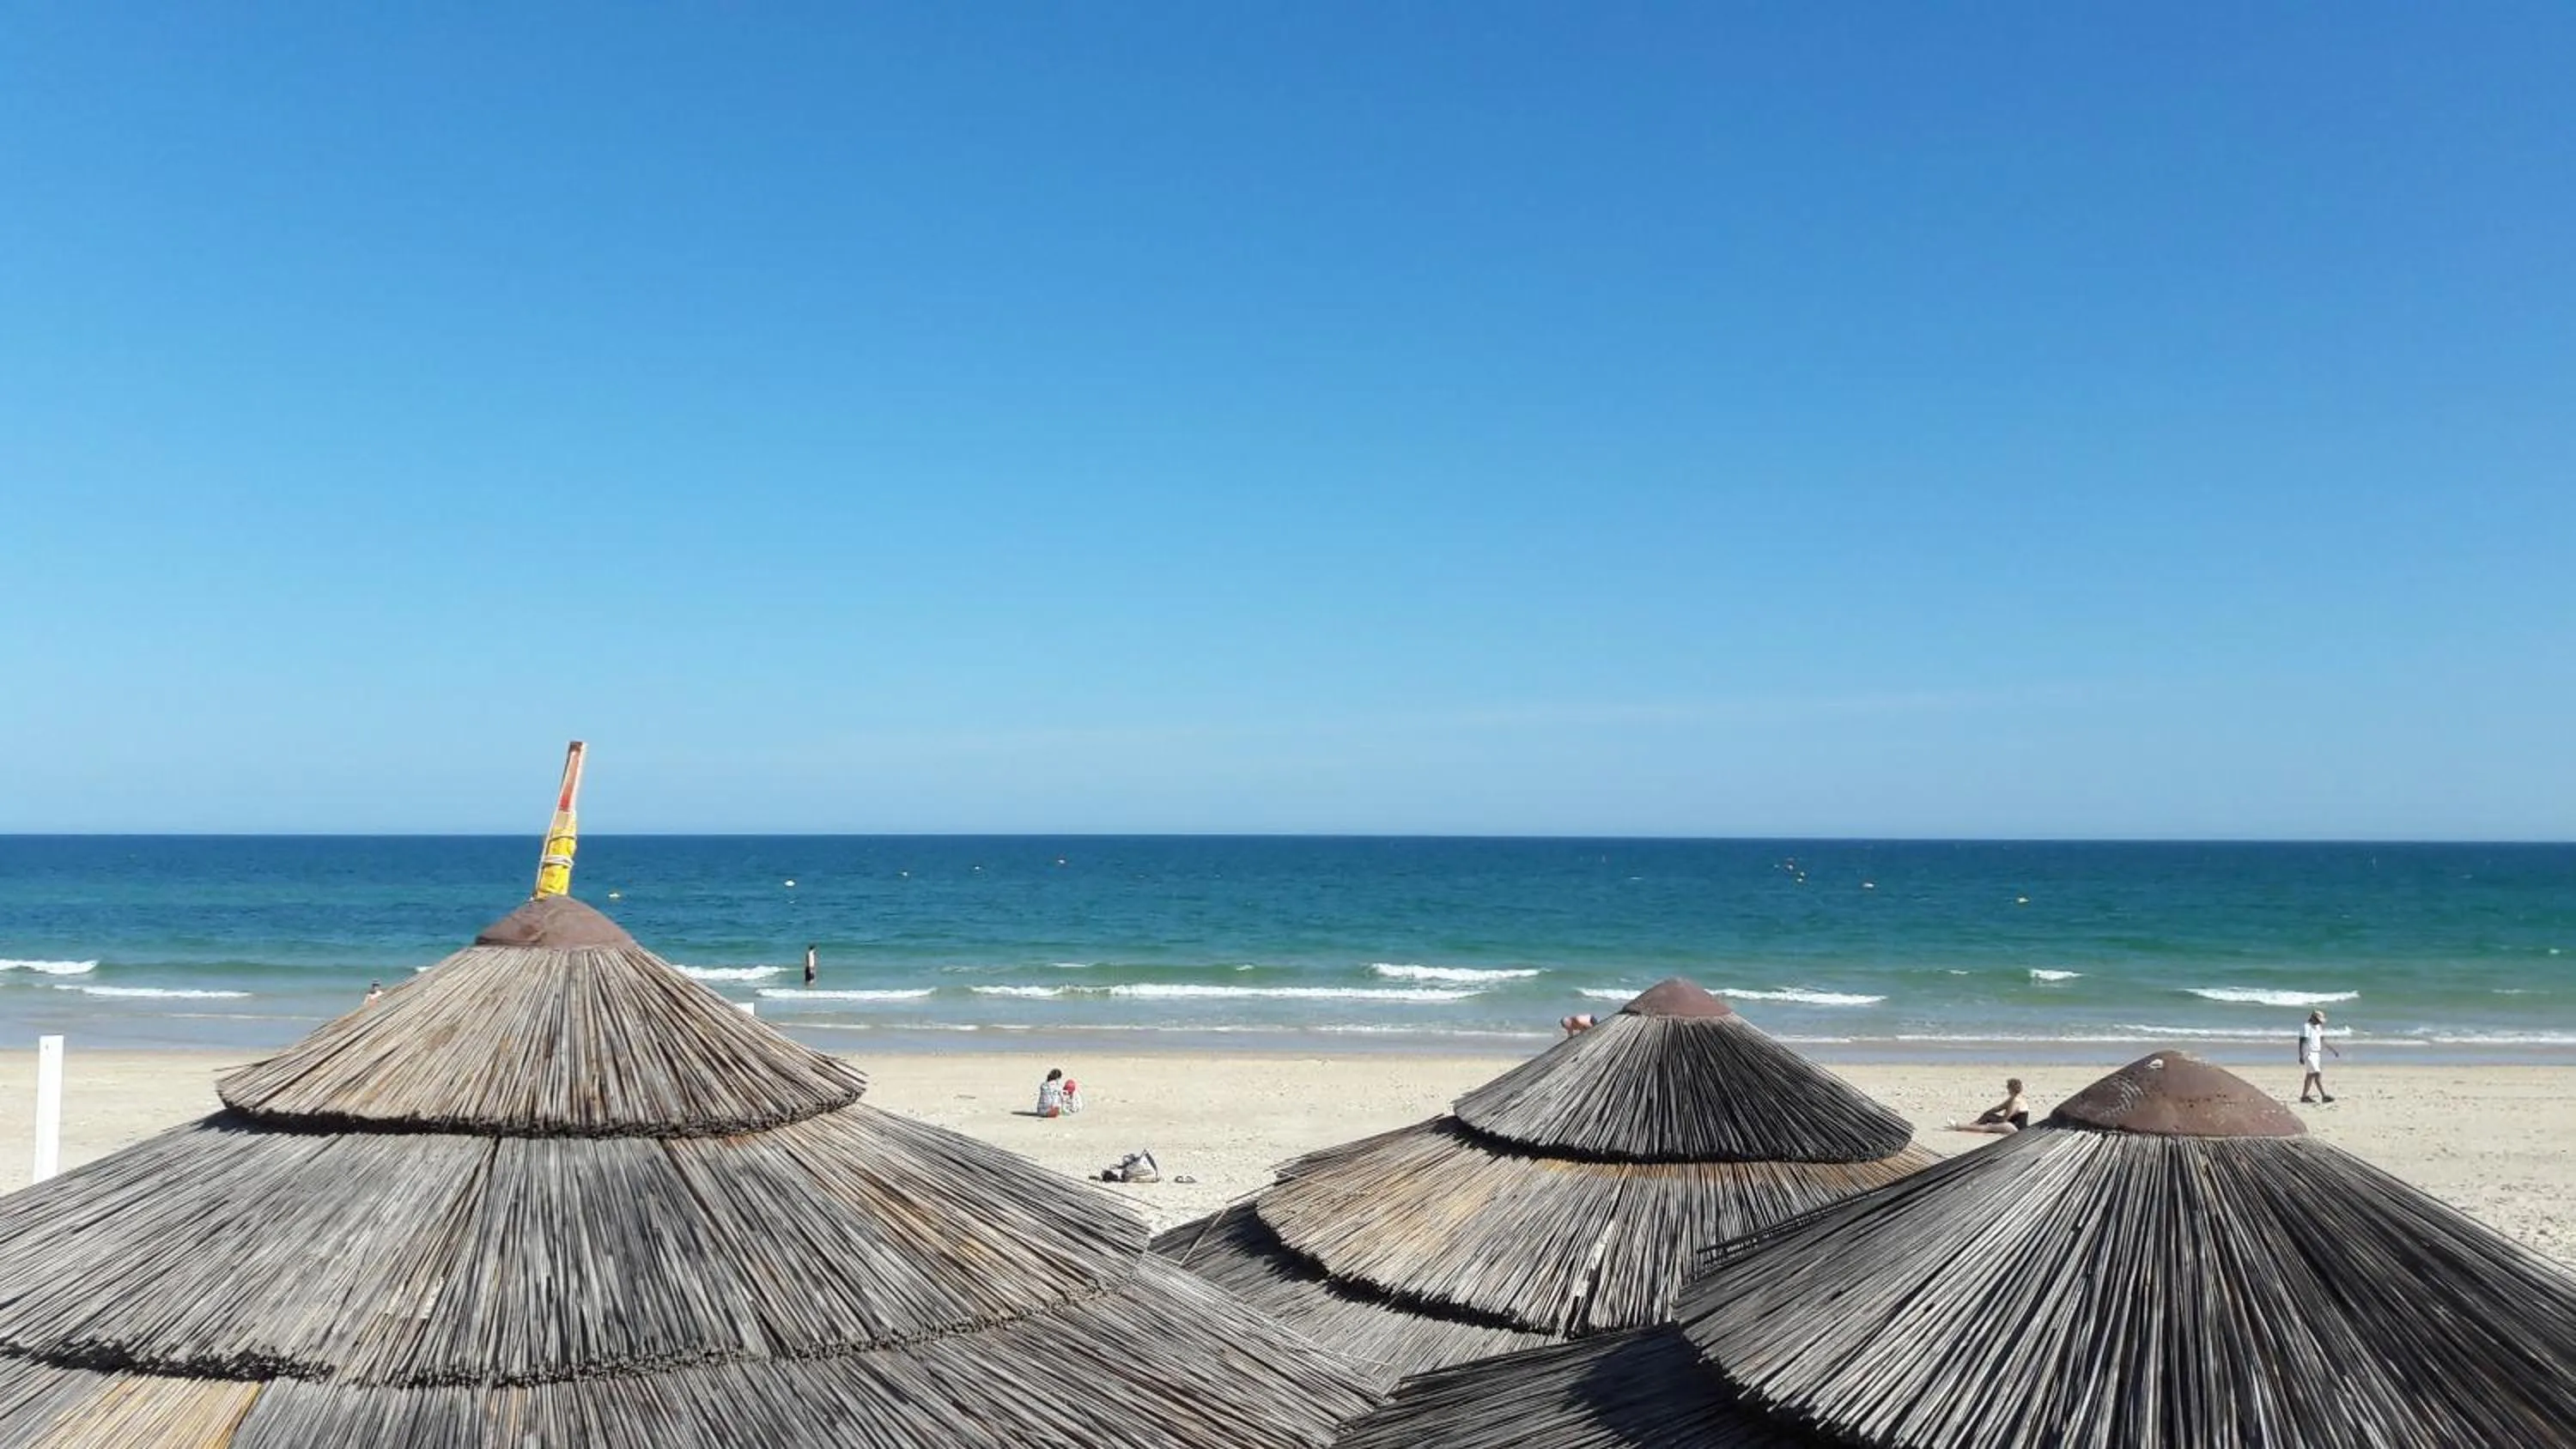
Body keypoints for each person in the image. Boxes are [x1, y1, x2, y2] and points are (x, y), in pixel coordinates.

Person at [1949, 1077, 2028, 1134]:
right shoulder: (2013, 1098)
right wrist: (1987, 1114)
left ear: (2011, 1089)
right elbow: (1998, 1108)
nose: (2007, 1089)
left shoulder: (2016, 1101)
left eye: (2008, 1087)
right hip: (2011, 1123)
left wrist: (1993, 1122)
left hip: (2016, 1128)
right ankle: (1971, 1125)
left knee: (1988, 1127)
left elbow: (2004, 1119)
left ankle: (1959, 1126)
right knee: (1988, 1116)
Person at [2299, 1009, 2341, 1103]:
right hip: (2308, 1053)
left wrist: (2333, 1050)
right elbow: (2302, 1041)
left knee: (2310, 1075)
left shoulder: (2318, 1027)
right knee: (2317, 1073)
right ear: (2313, 1018)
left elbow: (2322, 1040)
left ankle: (2304, 1096)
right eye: (2318, 1020)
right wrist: (2301, 1055)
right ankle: (2324, 1095)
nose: (2319, 1023)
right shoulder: (2306, 1027)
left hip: (2317, 1053)